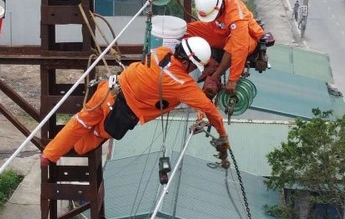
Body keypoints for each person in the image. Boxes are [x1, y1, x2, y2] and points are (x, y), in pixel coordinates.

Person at [40, 37, 229, 166]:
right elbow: (211, 111)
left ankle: (48, 155)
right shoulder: (182, 84)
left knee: (80, 121)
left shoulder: (160, 52)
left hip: (107, 91)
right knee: (84, 144)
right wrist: (223, 137)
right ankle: (66, 149)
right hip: (118, 115)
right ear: (188, 62)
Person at [176, 0, 266, 97]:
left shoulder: (236, 16)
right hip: (220, 29)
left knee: (232, 46)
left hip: (247, 36)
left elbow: (239, 48)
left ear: (220, 7)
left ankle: (216, 75)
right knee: (183, 29)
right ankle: (210, 63)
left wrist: (232, 79)